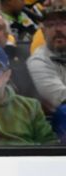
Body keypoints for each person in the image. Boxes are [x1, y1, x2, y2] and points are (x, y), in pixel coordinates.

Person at [26, 0, 66, 140]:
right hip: (57, 125)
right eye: (51, 25)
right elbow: (60, 98)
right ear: (43, 32)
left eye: (63, 23)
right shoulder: (38, 60)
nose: (58, 29)